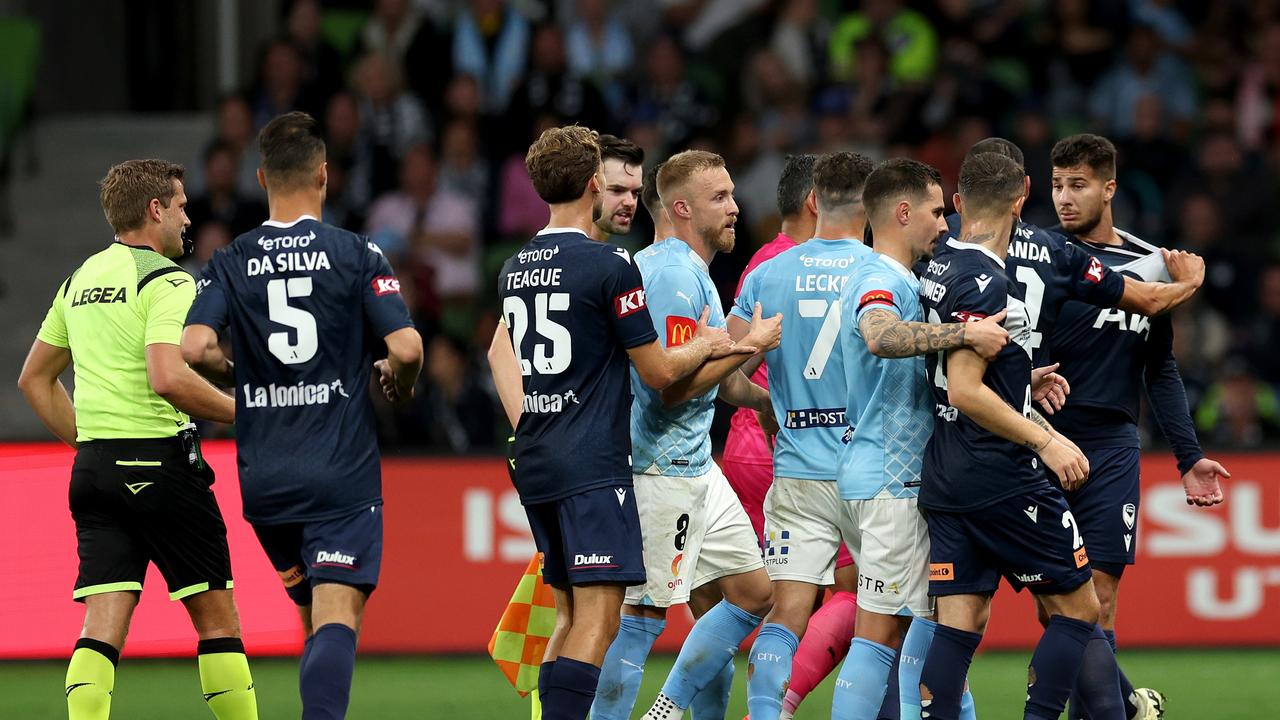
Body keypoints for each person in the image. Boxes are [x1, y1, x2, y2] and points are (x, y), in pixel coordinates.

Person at [485, 126, 750, 720]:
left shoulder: (514, 266)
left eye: (635, 188)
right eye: (616, 187)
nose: (626, 199)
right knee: (606, 620)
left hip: (537, 453)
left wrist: (533, 422)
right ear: (591, 184)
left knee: (571, 617)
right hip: (599, 462)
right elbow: (658, 373)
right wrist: (716, 344)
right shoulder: (611, 264)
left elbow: (499, 351)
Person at [182, 112, 423, 720]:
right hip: (339, 471)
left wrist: (241, 375)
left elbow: (194, 348)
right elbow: (408, 348)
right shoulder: (355, 253)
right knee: (340, 617)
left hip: (265, 480)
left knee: (313, 619)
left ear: (262, 177)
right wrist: (401, 380)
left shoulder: (233, 258)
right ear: (324, 174)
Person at [17, 159, 256, 719]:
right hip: (162, 465)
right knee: (218, 623)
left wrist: (93, 442)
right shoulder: (168, 280)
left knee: (101, 627)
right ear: (155, 210)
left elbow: (34, 378)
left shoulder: (80, 279)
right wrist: (246, 414)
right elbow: (168, 377)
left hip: (96, 472)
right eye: (180, 206)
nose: (186, 216)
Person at [824, 158, 1017, 720]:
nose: (945, 224)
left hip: (878, 472)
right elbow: (880, 336)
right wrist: (966, 331)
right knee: (887, 634)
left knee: (920, 628)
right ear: (902, 212)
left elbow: (917, 369)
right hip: (891, 477)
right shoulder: (880, 277)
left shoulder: (900, 276)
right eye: (935, 211)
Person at [593, 150, 783, 720]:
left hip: (697, 467)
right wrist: (750, 346)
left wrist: (761, 398)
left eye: (731, 194)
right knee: (643, 618)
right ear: (681, 208)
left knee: (753, 593)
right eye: (719, 198)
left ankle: (670, 708)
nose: (734, 207)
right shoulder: (673, 274)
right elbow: (670, 387)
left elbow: (713, 384)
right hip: (658, 470)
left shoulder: (688, 270)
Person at [1047, 134, 1228, 720]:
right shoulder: (1039, 256)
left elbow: (1161, 367)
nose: (1065, 199)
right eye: (1056, 185)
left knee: (1099, 601)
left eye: (1077, 185)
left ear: (1109, 188)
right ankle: (1126, 702)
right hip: (1043, 441)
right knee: (1057, 608)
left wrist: (1188, 455)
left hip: (1113, 446)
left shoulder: (1151, 265)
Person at [917, 151, 1098, 720]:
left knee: (961, 621)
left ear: (957, 201)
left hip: (943, 472)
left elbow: (957, 375)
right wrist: (1045, 441)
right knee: (1079, 609)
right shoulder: (988, 281)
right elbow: (968, 391)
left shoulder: (937, 262)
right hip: (998, 471)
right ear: (1022, 200)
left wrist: (1020, 376)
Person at [731, 151, 882, 720]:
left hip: (793, 466)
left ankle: (766, 714)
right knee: (881, 611)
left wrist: (771, 404)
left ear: (815, 198)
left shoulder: (768, 273)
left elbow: (728, 376)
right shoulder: (882, 272)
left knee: (787, 609)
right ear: (867, 205)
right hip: (866, 471)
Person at [589, 134, 644, 243]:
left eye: (635, 192)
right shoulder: (556, 254)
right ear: (590, 186)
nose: (630, 202)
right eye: (617, 190)